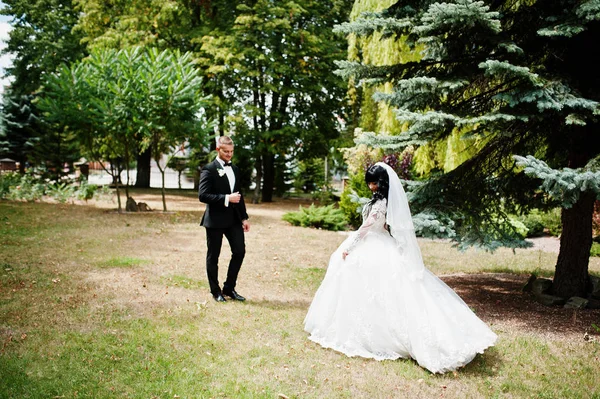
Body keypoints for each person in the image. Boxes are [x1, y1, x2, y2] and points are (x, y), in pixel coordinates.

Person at [304, 162, 497, 373]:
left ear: (381, 182)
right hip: (378, 242)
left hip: (373, 244)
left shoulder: (380, 204)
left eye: (373, 183)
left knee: (379, 289)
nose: (370, 186)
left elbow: (367, 227)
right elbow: (384, 226)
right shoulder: (381, 201)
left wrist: (349, 246)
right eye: (369, 182)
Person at [199, 135, 250, 302]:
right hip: (215, 220)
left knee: (239, 251)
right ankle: (216, 291)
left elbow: (239, 195)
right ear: (218, 150)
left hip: (234, 219)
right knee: (214, 256)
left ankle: (229, 287)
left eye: (231, 152)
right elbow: (203, 195)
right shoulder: (209, 169)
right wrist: (226, 198)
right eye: (226, 151)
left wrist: (244, 218)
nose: (229, 155)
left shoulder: (234, 169)